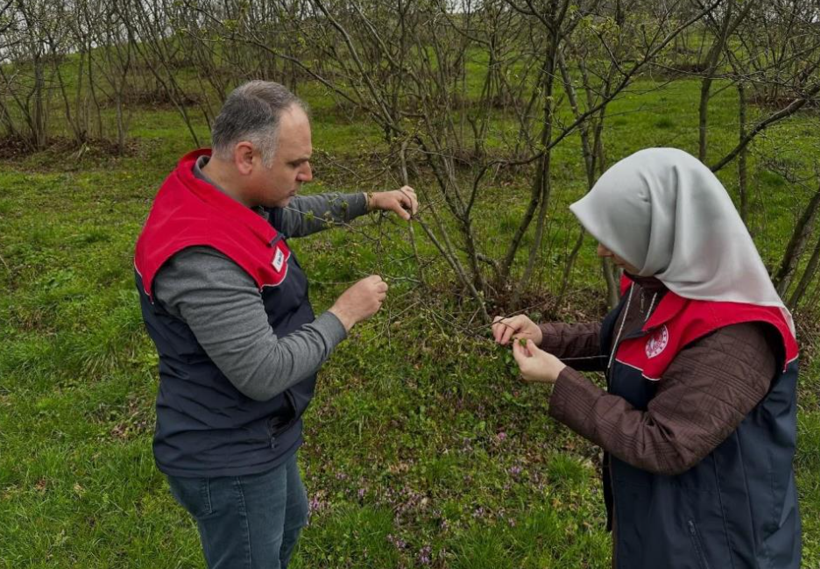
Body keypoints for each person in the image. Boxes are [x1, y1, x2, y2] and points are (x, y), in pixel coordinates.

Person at [133, 80, 417, 569]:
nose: (307, 174)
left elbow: (289, 213)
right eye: (294, 163)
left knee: (290, 521)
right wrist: (344, 313)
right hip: (227, 450)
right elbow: (262, 372)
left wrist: (370, 199)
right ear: (247, 156)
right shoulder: (204, 257)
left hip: (259, 430)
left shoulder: (222, 193)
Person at [493, 148, 800, 569]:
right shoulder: (659, 279)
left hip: (717, 542)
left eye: (616, 236)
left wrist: (562, 380)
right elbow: (619, 342)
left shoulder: (737, 335)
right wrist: (546, 336)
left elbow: (665, 444)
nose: (602, 250)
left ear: (662, 232)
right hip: (661, 523)